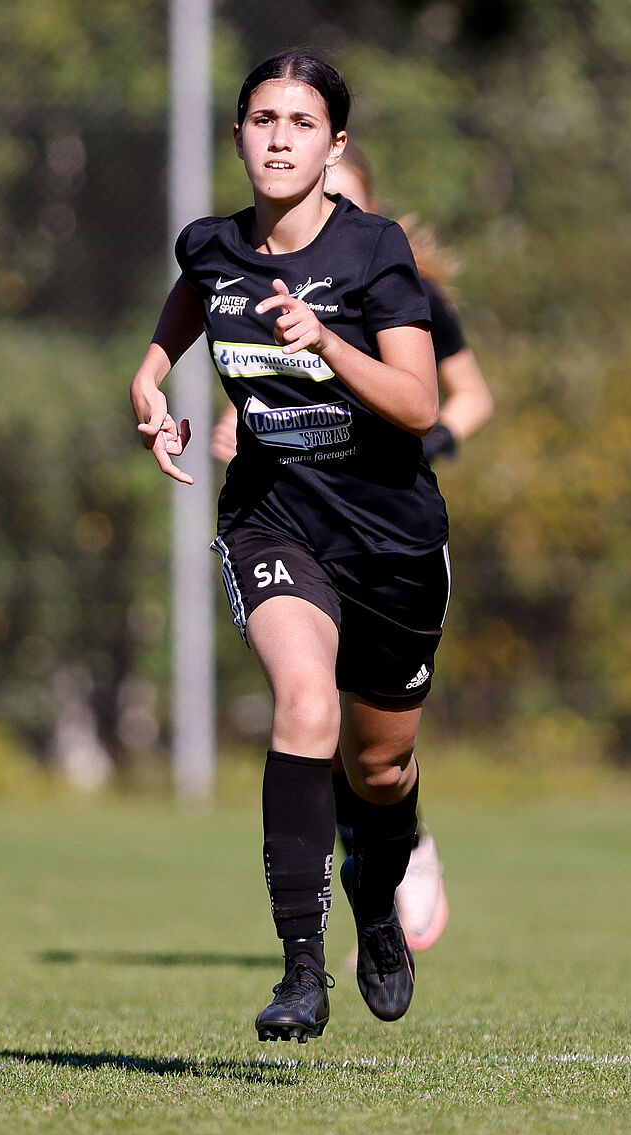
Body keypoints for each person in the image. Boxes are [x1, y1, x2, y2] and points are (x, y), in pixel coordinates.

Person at [131, 50, 448, 1043]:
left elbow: (418, 400)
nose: (278, 137)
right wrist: (150, 380)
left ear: (334, 144)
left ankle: (378, 893)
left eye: (301, 123)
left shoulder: (374, 254)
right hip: (272, 520)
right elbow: (195, 293)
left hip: (391, 539)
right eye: (261, 119)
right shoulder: (213, 244)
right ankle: (301, 973)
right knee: (304, 702)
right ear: (238, 136)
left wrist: (328, 344)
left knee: (382, 769)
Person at [210, 142, 492, 960]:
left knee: (375, 747)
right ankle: (323, 918)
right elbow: (249, 382)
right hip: (295, 520)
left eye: (339, 189)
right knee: (309, 702)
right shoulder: (259, 283)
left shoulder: (411, 292)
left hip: (391, 524)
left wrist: (428, 437)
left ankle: (398, 839)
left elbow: (468, 394)